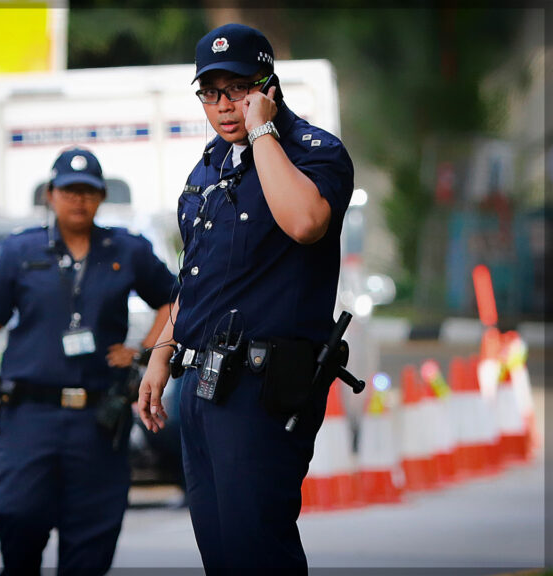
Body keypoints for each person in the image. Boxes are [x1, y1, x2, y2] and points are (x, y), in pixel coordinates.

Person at [137, 23, 355, 574]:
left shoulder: (313, 152)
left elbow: (305, 223)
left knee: (257, 549)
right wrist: (160, 356)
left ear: (267, 85)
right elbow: (195, 278)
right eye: (211, 93)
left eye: (237, 89)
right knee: (221, 552)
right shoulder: (210, 165)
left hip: (261, 388)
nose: (224, 105)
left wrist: (263, 133)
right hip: (201, 386)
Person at [0, 147, 174, 575]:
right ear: (50, 194)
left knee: (93, 534)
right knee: (17, 516)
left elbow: (175, 299)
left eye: (88, 191)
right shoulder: (21, 250)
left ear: (101, 197)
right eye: (69, 190)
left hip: (98, 417)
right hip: (29, 414)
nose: (78, 199)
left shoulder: (126, 249)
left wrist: (145, 352)